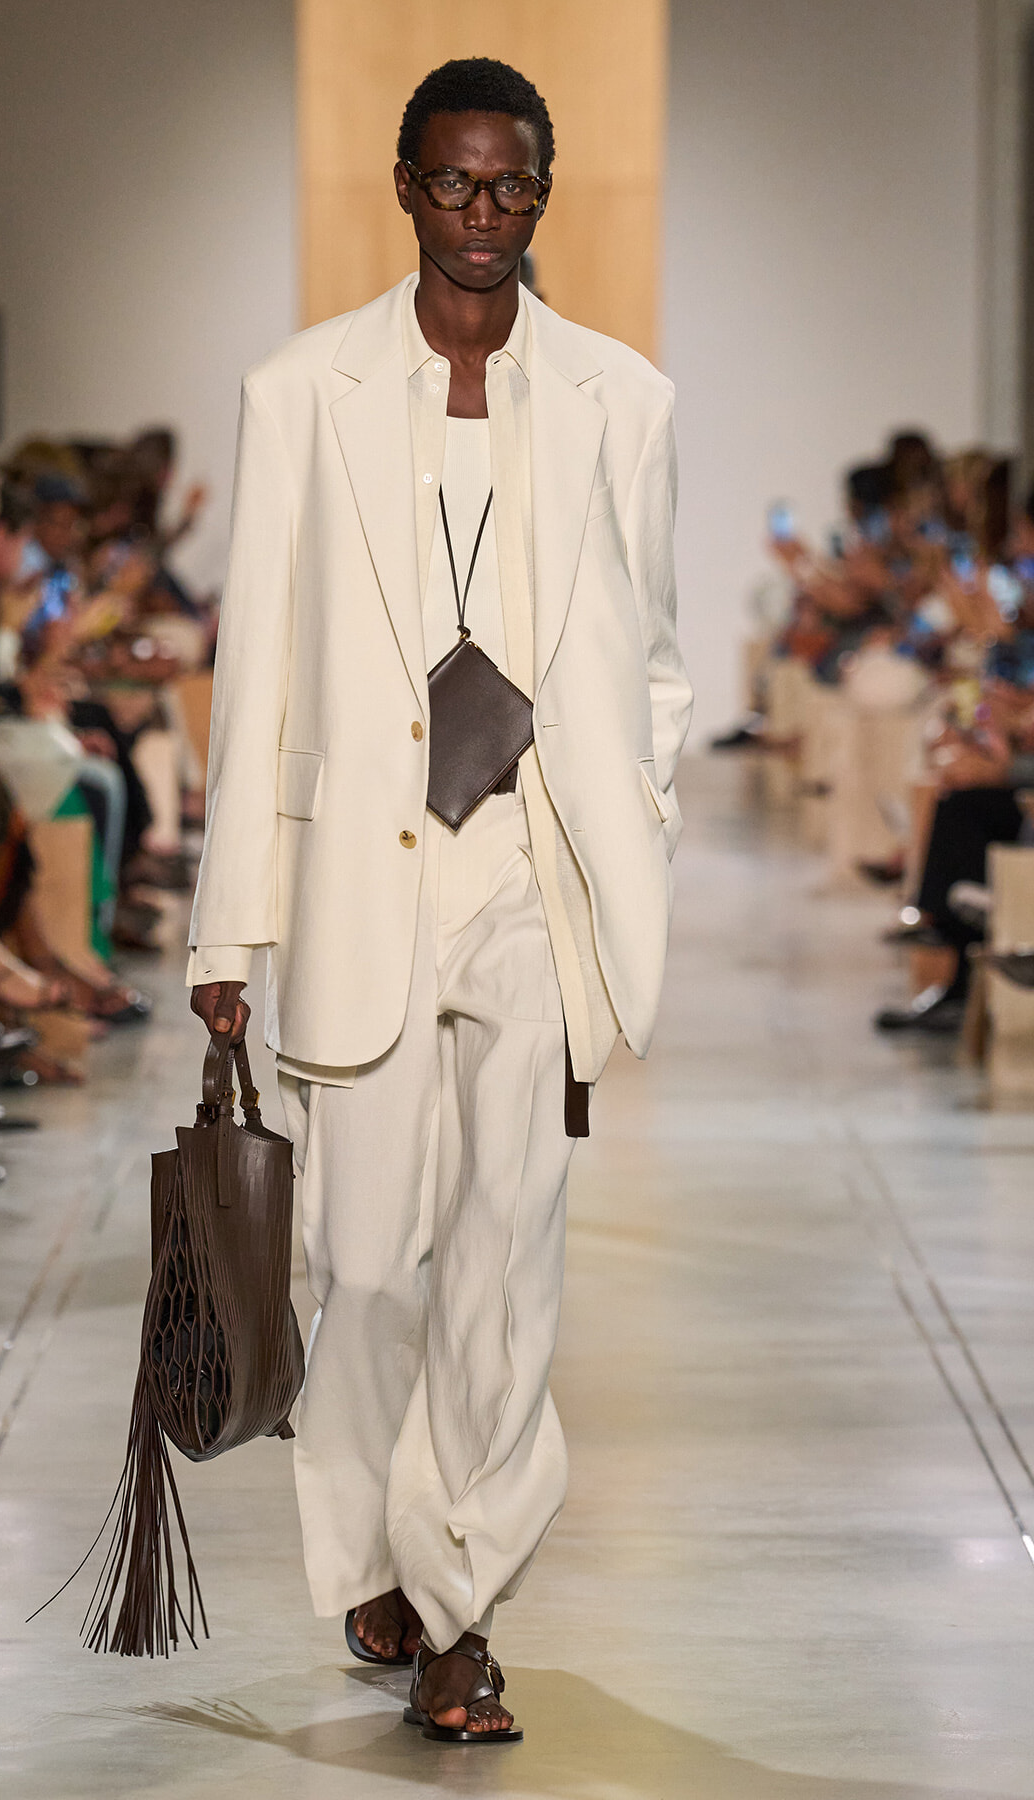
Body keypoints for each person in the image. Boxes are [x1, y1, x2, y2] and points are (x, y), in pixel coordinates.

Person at [188, 58, 690, 1744]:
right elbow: (254, 668)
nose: (486, 217)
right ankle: (377, 1552)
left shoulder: (625, 399)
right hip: (363, 871)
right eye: (457, 185)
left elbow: (661, 658)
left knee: (507, 1264)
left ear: (542, 194)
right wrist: (223, 926)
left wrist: (641, 821)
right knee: (370, 1263)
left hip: (534, 870)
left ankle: (462, 1604)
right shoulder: (300, 392)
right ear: (403, 187)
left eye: (515, 189)